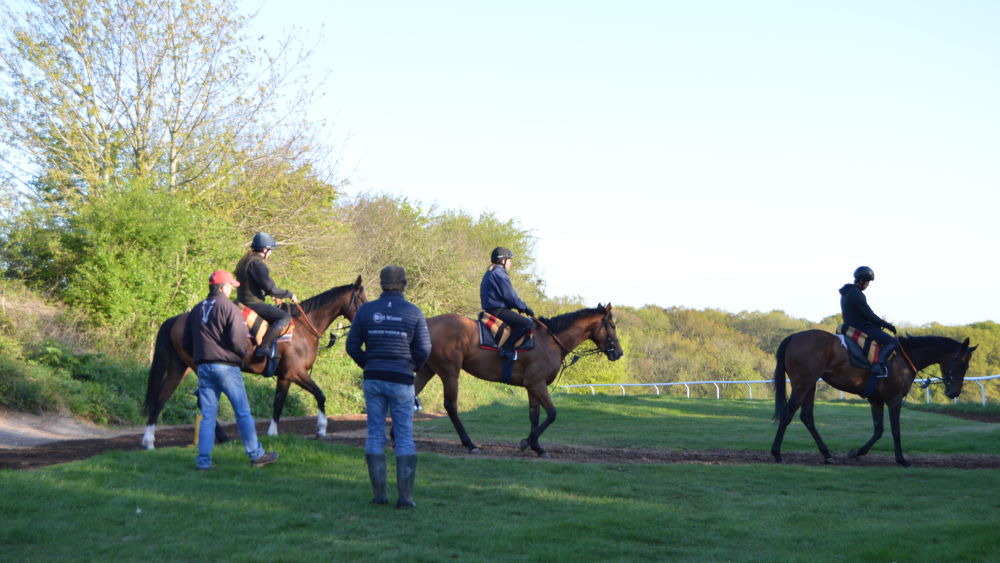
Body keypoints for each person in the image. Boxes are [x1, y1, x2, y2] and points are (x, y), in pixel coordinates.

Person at [346, 265, 431, 508]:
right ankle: (405, 498)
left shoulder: (366, 311)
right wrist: (411, 366)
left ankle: (379, 496)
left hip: (373, 378)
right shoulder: (414, 312)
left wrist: (368, 364)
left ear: (381, 284)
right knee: (404, 436)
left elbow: (352, 346)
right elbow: (424, 349)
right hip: (402, 380)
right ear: (404, 284)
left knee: (374, 434)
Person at [183, 270, 278, 470]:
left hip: (203, 367)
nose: (231, 289)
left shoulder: (197, 308)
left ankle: (203, 462)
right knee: (242, 412)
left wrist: (199, 357)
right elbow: (238, 341)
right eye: (230, 286)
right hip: (226, 367)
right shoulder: (230, 308)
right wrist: (242, 355)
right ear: (223, 287)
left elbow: (185, 341)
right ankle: (256, 455)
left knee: (208, 417)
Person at [234, 232, 297, 374]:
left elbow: (256, 284)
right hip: (253, 303)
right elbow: (270, 287)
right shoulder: (258, 264)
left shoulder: (245, 260)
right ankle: (264, 348)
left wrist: (272, 294)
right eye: (271, 251)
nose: (271, 254)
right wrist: (289, 294)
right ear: (265, 249)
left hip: (241, 301)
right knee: (284, 317)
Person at [839, 266, 898, 378]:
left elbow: (862, 313)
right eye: (868, 281)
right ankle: (878, 365)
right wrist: (887, 325)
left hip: (849, 326)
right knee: (893, 342)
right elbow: (869, 314)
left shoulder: (846, 293)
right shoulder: (856, 293)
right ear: (861, 280)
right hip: (861, 327)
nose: (868, 284)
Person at [479, 246, 534, 361]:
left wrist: (518, 307)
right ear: (503, 261)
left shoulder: (490, 271)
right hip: (498, 311)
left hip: (492, 309)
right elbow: (510, 296)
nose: (510, 264)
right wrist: (524, 308)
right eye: (509, 260)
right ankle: (507, 348)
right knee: (527, 324)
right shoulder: (499, 273)